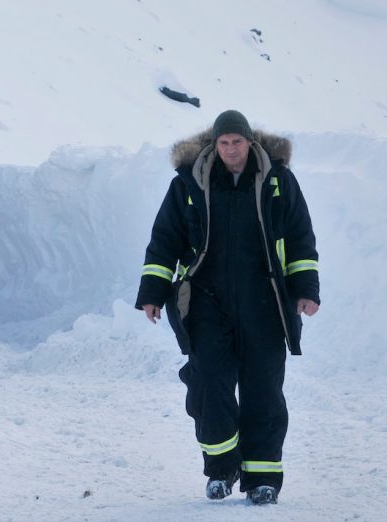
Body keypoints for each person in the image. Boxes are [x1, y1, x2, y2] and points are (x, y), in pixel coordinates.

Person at [135, 110, 320, 505]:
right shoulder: (188, 183)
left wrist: (306, 289)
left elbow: (300, 237)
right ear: (214, 145)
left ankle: (262, 477)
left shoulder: (277, 181)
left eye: (237, 142)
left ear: (250, 143)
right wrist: (152, 291)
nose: (231, 149)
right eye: (223, 143)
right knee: (210, 381)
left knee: (263, 388)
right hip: (206, 300)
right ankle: (220, 469)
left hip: (264, 300)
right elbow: (165, 239)